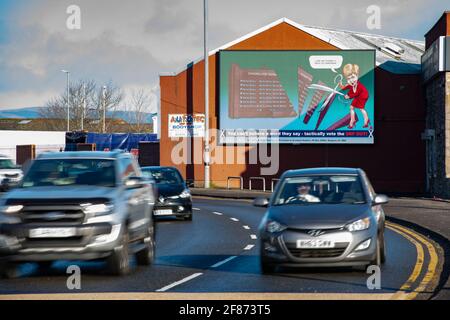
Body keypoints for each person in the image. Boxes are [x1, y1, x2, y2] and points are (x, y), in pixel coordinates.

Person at [339, 64, 370, 129]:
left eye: (353, 77)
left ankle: (366, 120)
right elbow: (344, 88)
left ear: (357, 76)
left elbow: (356, 93)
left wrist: (349, 96)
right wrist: (341, 85)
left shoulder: (359, 86)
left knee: (361, 108)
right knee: (351, 107)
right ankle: (353, 120)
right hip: (358, 96)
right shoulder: (351, 84)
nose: (351, 80)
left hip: (363, 96)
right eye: (348, 78)